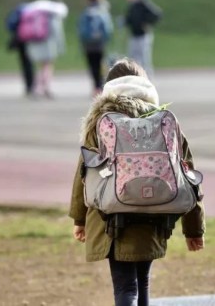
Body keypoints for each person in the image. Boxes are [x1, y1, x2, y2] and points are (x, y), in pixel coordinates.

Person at [70, 58, 205, 306]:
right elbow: (187, 174)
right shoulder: (162, 121)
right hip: (155, 215)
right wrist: (193, 229)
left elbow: (83, 173)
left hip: (110, 218)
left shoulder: (101, 122)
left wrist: (80, 219)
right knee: (142, 283)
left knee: (125, 288)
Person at [24, 0, 67, 99]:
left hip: (37, 43)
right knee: (48, 66)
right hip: (48, 44)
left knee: (42, 67)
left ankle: (38, 88)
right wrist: (60, 46)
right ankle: (43, 88)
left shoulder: (36, 14)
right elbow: (57, 33)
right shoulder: (53, 15)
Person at [78, 0, 113, 96]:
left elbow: (81, 29)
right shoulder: (102, 11)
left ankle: (95, 88)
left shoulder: (86, 13)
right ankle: (101, 86)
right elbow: (108, 29)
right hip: (100, 44)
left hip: (88, 45)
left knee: (92, 66)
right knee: (101, 66)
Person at [124, 0, 161, 79]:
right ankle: (136, 80)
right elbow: (131, 19)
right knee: (132, 60)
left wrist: (147, 23)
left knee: (144, 60)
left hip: (143, 36)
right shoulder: (132, 5)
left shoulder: (143, 3)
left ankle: (149, 81)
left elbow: (157, 14)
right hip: (134, 35)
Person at [6, 3, 35, 96]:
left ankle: (28, 85)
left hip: (21, 40)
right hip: (30, 39)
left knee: (24, 63)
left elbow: (10, 25)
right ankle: (31, 85)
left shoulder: (18, 13)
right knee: (30, 63)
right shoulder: (33, 13)